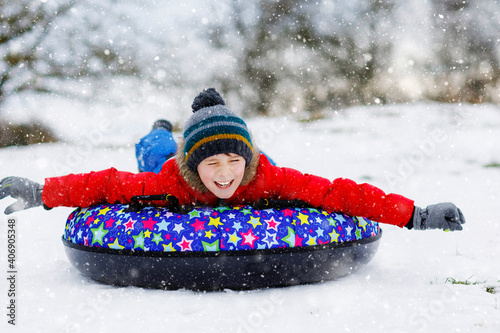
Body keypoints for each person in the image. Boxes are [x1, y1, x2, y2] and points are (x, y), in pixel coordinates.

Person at [0, 88, 465, 231]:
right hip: (168, 157)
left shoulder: (266, 176)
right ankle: (164, 131)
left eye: (232, 161)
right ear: (194, 166)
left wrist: (416, 215)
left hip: (256, 163)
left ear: (247, 158)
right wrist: (43, 192)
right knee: (151, 153)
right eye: (210, 163)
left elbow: (339, 193)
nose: (223, 174)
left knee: (271, 171)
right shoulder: (173, 180)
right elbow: (104, 184)